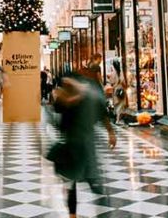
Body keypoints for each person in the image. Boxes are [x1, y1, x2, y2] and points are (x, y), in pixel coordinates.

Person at [51, 73, 116, 218]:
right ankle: (75, 214)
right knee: (85, 182)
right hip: (79, 145)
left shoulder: (80, 97)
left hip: (79, 145)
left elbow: (58, 119)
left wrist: (111, 132)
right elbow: (102, 114)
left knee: (82, 182)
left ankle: (76, 214)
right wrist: (111, 132)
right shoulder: (82, 96)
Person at [110, 59, 128, 124]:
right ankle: (118, 120)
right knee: (121, 105)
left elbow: (111, 82)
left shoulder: (113, 73)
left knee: (116, 105)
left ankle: (117, 119)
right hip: (121, 89)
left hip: (115, 90)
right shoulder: (121, 73)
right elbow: (123, 82)